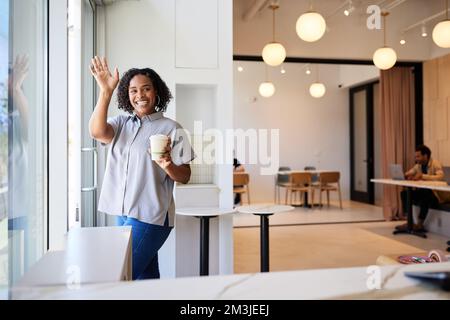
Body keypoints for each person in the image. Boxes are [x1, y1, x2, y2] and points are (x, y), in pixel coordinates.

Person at [89, 56, 195, 280]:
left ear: (156, 92)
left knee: (120, 275)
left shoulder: (172, 128)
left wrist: (168, 165)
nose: (140, 96)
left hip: (152, 216)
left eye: (145, 89)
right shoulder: (121, 124)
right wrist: (106, 91)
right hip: (123, 213)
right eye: (133, 91)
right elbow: (97, 132)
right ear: (127, 96)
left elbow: (185, 176)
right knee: (145, 278)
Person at [396, 145, 450, 232]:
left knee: (426, 194)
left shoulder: (435, 163)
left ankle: (420, 224)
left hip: (437, 195)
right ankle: (409, 221)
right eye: (415, 156)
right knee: (404, 193)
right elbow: (410, 172)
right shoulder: (418, 165)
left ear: (425, 156)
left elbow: (440, 176)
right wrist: (406, 175)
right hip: (426, 192)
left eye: (418, 156)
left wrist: (423, 176)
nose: (416, 158)